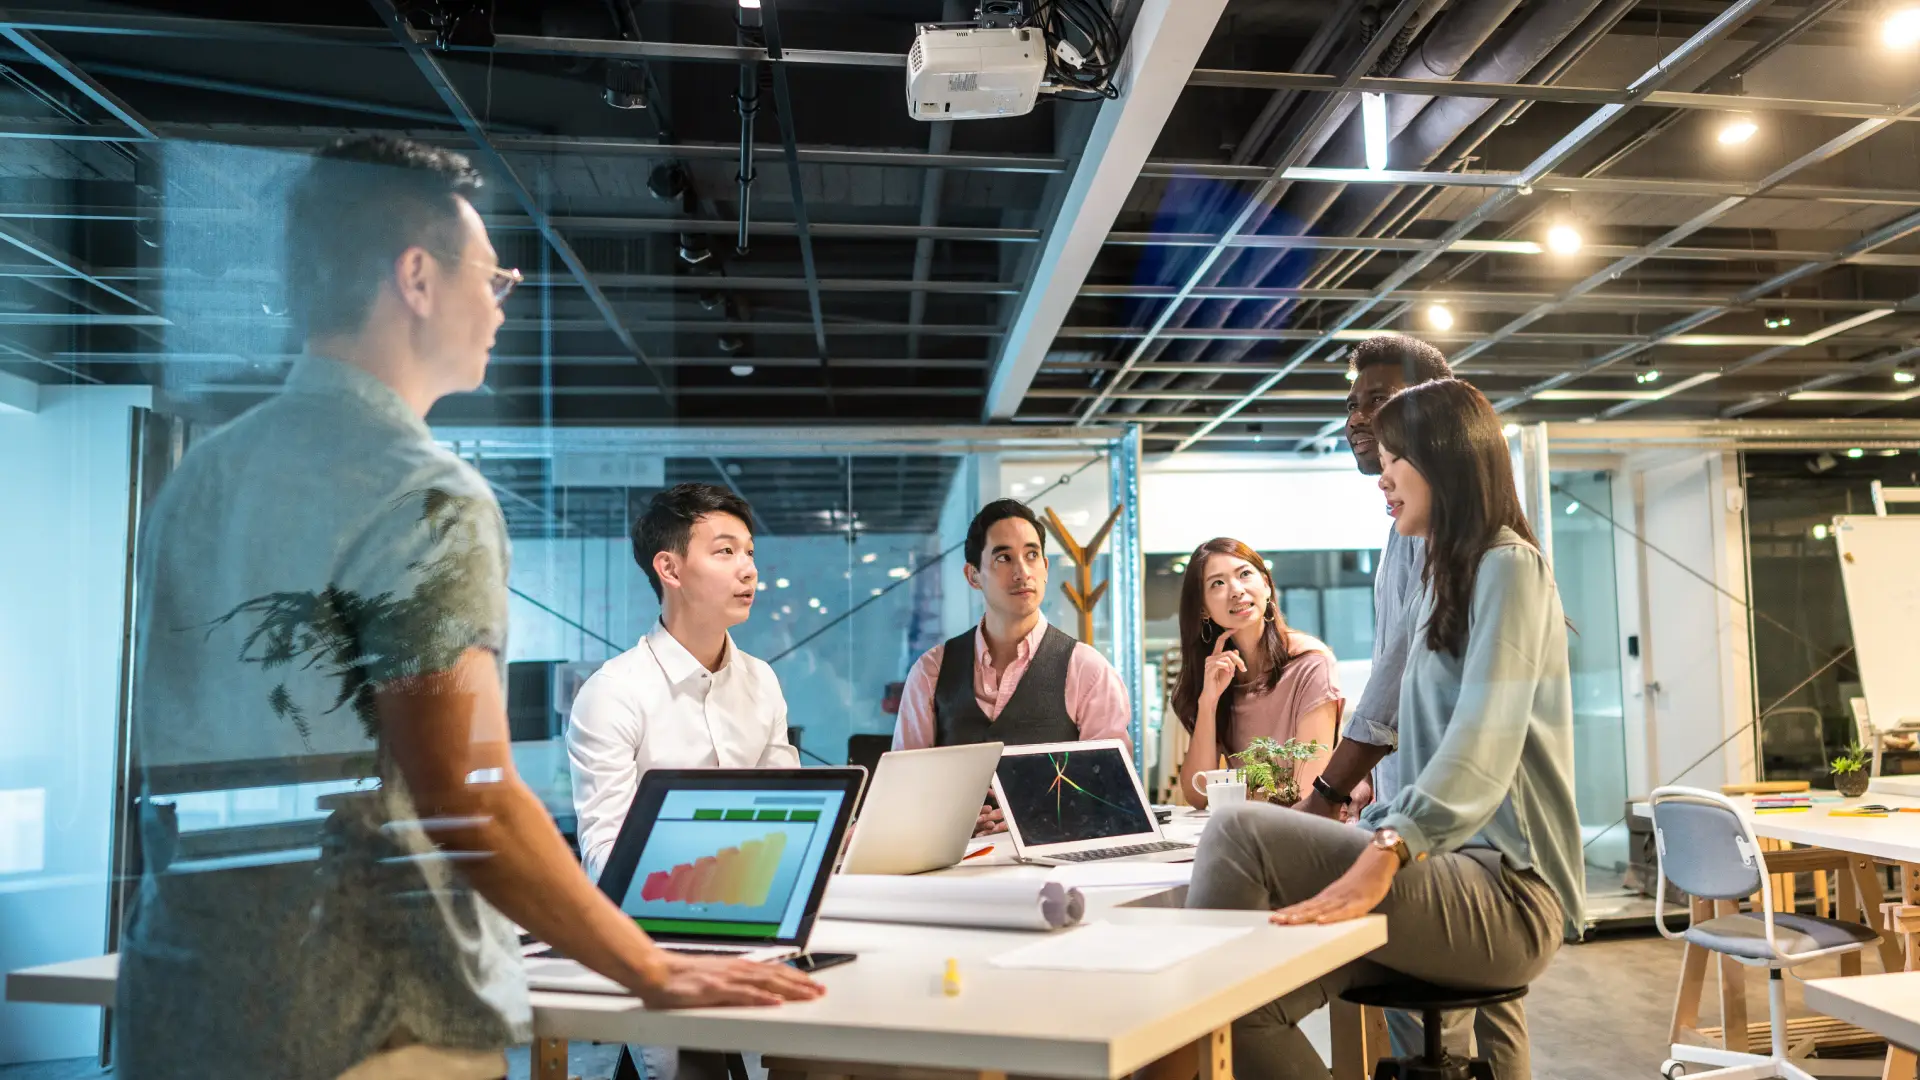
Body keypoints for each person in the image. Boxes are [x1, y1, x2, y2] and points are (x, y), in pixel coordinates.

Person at [118, 136, 818, 1080]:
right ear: (416, 277)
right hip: (369, 1014)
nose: (500, 301)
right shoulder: (422, 492)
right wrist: (654, 973)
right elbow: (470, 798)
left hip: (185, 1000)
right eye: (491, 275)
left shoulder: (199, 477)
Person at [1155, 378, 1582, 1080]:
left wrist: (1387, 843)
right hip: (1440, 868)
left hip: (1507, 890)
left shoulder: (1509, 565)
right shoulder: (1438, 581)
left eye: (1394, 461)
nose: (1381, 479)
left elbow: (1482, 746)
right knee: (1231, 1007)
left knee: (1236, 833)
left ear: (1444, 457)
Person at [569, 482, 799, 883]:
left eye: (749, 552)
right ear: (670, 569)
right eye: (725, 551)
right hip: (658, 918)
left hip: (759, 897)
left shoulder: (761, 679)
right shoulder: (613, 693)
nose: (749, 569)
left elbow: (790, 815)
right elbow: (605, 859)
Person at [893, 499, 1133, 831]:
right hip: (955, 866)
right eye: (1004, 558)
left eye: (1032, 555)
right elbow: (903, 787)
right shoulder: (931, 670)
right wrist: (947, 817)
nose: (1022, 572)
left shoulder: (1087, 669)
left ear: (1046, 568)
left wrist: (1036, 810)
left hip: (1053, 866)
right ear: (973, 574)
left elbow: (1112, 790)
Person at [1295, 334, 1455, 822]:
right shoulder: (1401, 530)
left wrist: (1328, 789)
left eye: (1377, 401)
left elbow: (1398, 673)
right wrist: (1365, 773)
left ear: (1431, 409)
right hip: (1399, 804)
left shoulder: (1456, 533)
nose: (1355, 421)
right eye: (1352, 405)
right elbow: (1392, 666)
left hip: (1445, 823)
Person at [1169, 537, 1341, 812]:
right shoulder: (1217, 676)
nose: (1236, 590)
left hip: (1304, 830)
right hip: (1249, 826)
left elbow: (1307, 794)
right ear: (1203, 608)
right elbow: (1199, 796)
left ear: (1265, 585)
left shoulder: (1310, 663)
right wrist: (1208, 702)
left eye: (1244, 574)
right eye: (1218, 583)